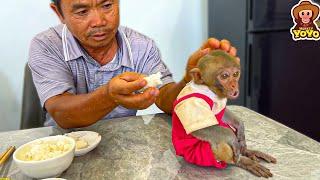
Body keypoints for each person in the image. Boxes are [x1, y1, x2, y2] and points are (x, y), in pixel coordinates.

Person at [28, 0, 239, 129]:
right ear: (59, 13)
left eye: (107, 5)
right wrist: (109, 96)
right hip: (64, 147)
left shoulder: (142, 46)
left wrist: (191, 79)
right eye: (82, 12)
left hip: (124, 142)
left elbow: (166, 100)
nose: (99, 21)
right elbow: (61, 113)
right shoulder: (46, 45)